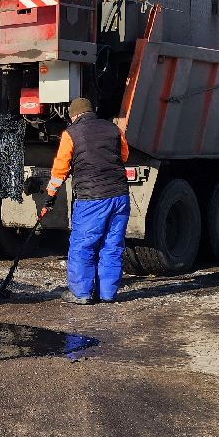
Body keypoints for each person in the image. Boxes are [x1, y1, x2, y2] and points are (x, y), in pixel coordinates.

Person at [42, 96, 131, 304]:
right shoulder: (113, 129)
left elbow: (60, 169)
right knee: (112, 244)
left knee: (83, 244)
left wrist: (50, 196)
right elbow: (124, 155)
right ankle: (108, 294)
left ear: (75, 115)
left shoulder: (71, 133)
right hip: (119, 196)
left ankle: (81, 293)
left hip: (92, 199)